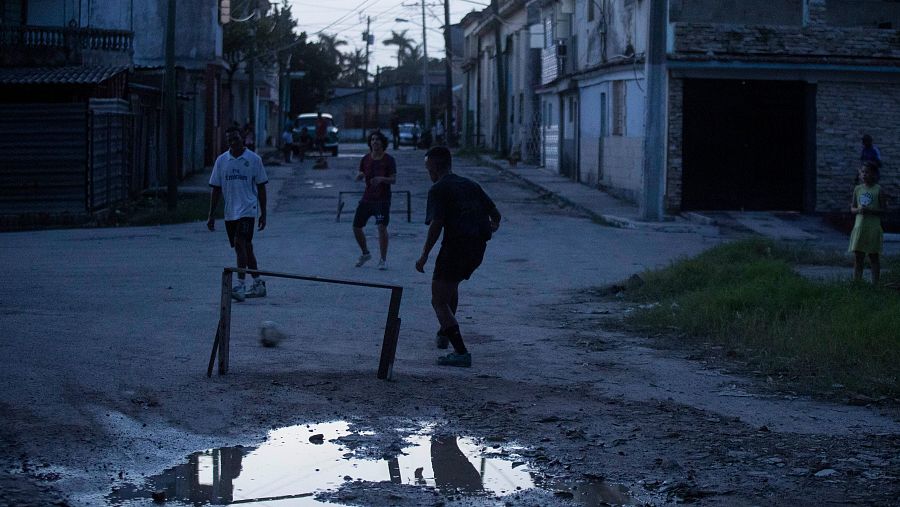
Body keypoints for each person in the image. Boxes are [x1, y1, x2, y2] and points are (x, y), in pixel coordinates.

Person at [416, 146, 501, 367]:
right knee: (451, 286)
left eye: (428, 169)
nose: (428, 173)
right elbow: (495, 214)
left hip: (456, 248)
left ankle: (461, 352)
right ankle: (445, 332)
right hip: (477, 250)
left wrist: (424, 255)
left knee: (438, 300)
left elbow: (436, 225)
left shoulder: (438, 189)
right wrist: (492, 226)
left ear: (434, 167)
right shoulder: (471, 184)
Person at [208, 126, 269, 301]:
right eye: (229, 140)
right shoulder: (222, 161)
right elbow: (216, 189)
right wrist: (211, 215)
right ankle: (258, 283)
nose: (233, 143)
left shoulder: (254, 160)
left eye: (235, 139)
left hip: (248, 210)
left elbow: (261, 187)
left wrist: (263, 213)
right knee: (245, 248)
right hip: (230, 213)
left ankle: (240, 286)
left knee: (240, 242)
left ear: (242, 138)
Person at [353, 130, 397, 270]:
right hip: (367, 198)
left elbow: (393, 179)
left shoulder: (389, 160)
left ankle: (383, 259)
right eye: (372, 140)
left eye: (377, 140)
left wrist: (382, 179)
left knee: (381, 227)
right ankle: (365, 253)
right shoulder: (366, 158)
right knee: (356, 226)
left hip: (382, 199)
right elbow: (362, 172)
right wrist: (359, 175)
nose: (375, 142)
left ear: (383, 143)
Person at [849, 161, 887, 285]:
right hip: (860, 227)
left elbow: (884, 210)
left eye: (867, 172)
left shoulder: (878, 190)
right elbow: (852, 208)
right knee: (858, 257)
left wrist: (870, 210)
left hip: (873, 228)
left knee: (873, 257)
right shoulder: (857, 189)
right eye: (862, 172)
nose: (864, 175)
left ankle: (875, 284)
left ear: (874, 174)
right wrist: (859, 210)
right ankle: (857, 283)